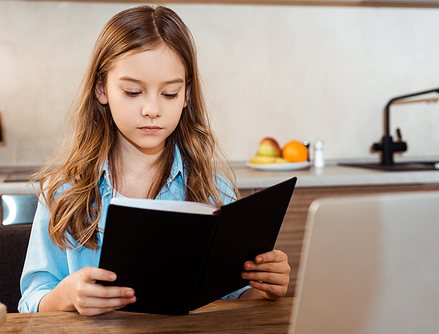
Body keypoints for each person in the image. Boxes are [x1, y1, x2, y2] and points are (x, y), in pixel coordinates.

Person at [18, 5, 290, 316]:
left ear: (186, 95)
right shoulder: (62, 190)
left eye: (169, 94)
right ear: (101, 89)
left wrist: (265, 288)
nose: (152, 109)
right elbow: (30, 302)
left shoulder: (214, 190)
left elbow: (236, 300)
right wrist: (65, 296)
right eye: (133, 92)